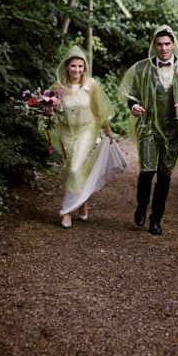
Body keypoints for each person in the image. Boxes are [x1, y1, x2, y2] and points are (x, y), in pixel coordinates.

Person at [118, 24, 178, 235]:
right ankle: (141, 205)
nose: (164, 48)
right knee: (147, 171)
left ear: (174, 44)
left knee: (165, 175)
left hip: (174, 128)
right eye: (159, 44)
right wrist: (134, 106)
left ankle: (156, 219)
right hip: (148, 127)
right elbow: (130, 93)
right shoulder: (141, 68)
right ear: (154, 45)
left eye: (167, 44)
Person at [49, 45, 127, 229]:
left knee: (76, 168)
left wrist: (108, 131)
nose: (77, 70)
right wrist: (49, 115)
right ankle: (81, 202)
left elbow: (101, 110)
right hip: (67, 132)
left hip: (87, 131)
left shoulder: (90, 85)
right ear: (67, 66)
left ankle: (66, 212)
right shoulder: (58, 87)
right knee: (71, 168)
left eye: (80, 66)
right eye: (73, 66)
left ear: (84, 68)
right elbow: (51, 111)